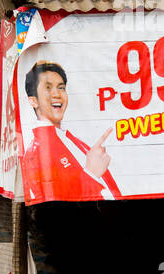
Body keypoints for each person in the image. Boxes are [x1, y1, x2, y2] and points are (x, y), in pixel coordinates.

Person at [21, 60, 120, 201]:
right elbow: (55, 205)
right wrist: (91, 173)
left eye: (61, 88)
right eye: (48, 88)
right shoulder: (35, 152)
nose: (57, 94)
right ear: (33, 101)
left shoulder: (69, 139)